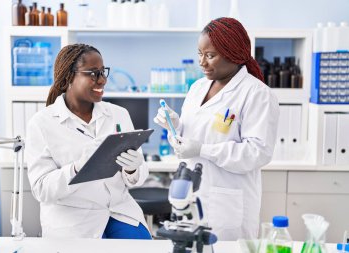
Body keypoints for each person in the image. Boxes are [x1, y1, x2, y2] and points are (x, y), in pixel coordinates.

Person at [154, 17, 279, 240]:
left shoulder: (257, 93)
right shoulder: (198, 87)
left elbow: (257, 152)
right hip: (191, 198)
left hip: (227, 205)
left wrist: (202, 149)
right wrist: (175, 126)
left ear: (234, 54)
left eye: (210, 56)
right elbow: (196, 133)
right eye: (199, 54)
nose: (202, 62)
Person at [25, 43, 151, 239]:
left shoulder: (118, 115)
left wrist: (133, 168)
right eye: (92, 73)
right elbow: (41, 189)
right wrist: (77, 168)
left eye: (103, 72)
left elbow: (137, 178)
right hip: (74, 221)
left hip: (119, 212)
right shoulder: (42, 123)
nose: (102, 80)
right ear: (68, 77)